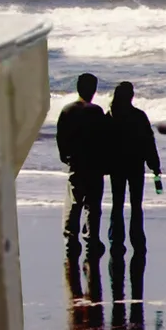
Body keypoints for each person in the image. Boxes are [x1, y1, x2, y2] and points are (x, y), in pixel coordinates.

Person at [103, 80, 162, 250]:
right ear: (131, 96)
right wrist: (154, 165)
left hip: (116, 166)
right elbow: (148, 143)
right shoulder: (139, 116)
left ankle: (115, 238)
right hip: (135, 165)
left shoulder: (110, 116)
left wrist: (103, 164)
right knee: (136, 204)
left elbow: (103, 143)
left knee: (117, 202)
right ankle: (137, 239)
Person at [55, 73, 108, 252]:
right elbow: (103, 139)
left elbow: (60, 136)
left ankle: (70, 238)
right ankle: (91, 238)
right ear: (93, 90)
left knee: (74, 201)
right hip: (94, 163)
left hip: (76, 162)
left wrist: (65, 155)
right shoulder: (96, 111)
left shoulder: (67, 110)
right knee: (93, 204)